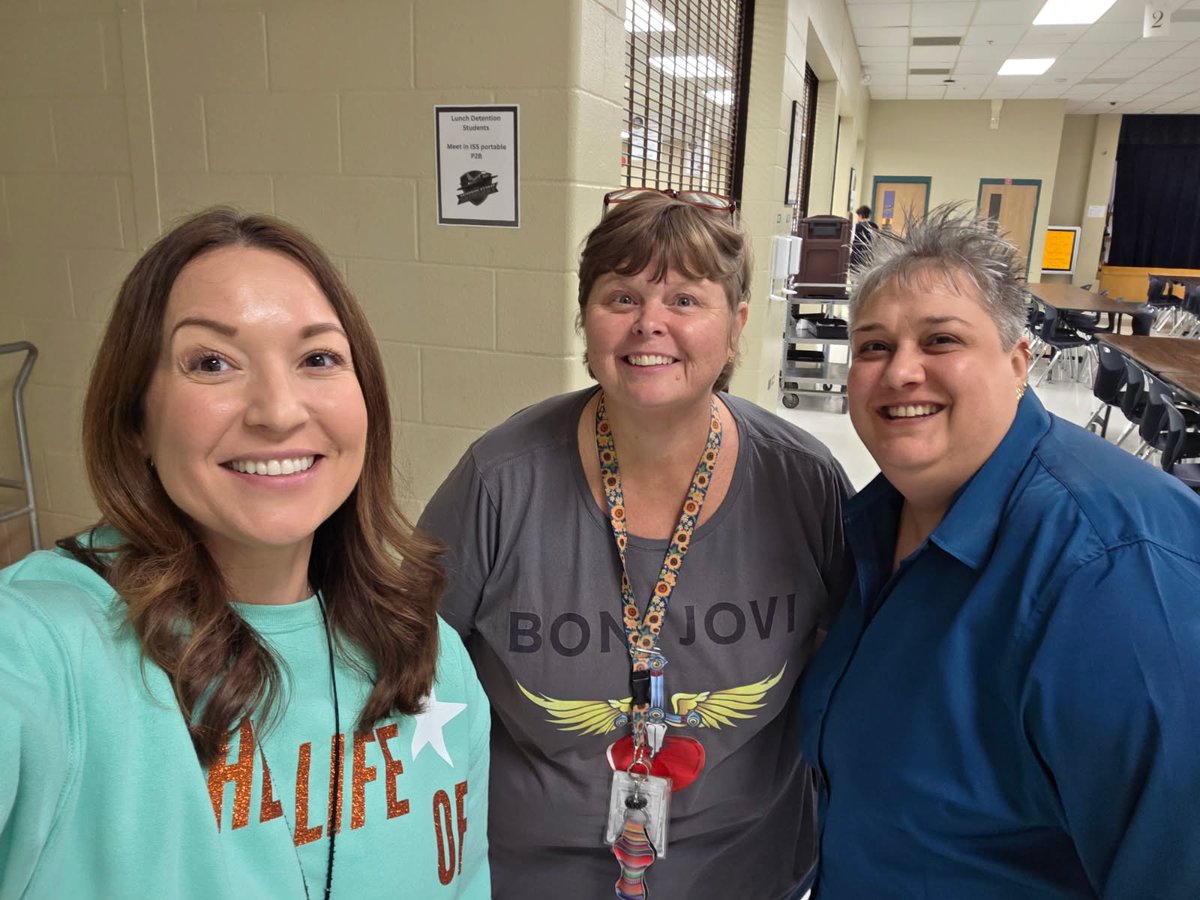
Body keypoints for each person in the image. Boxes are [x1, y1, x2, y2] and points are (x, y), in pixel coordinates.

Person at [0, 209, 490, 898]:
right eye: (211, 363)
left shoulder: (429, 655)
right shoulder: (44, 642)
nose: (278, 411)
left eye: (318, 357)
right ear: (134, 418)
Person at [419, 190, 854, 899]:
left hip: (744, 868)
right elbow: (405, 664)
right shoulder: (498, 483)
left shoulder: (804, 484)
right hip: (534, 870)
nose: (649, 324)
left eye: (685, 299)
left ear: (738, 326)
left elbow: (856, 672)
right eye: (621, 297)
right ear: (586, 320)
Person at [800, 203, 1200, 898]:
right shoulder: (874, 523)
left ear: (1019, 363)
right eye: (873, 346)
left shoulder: (1112, 573)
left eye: (941, 341)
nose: (901, 372)